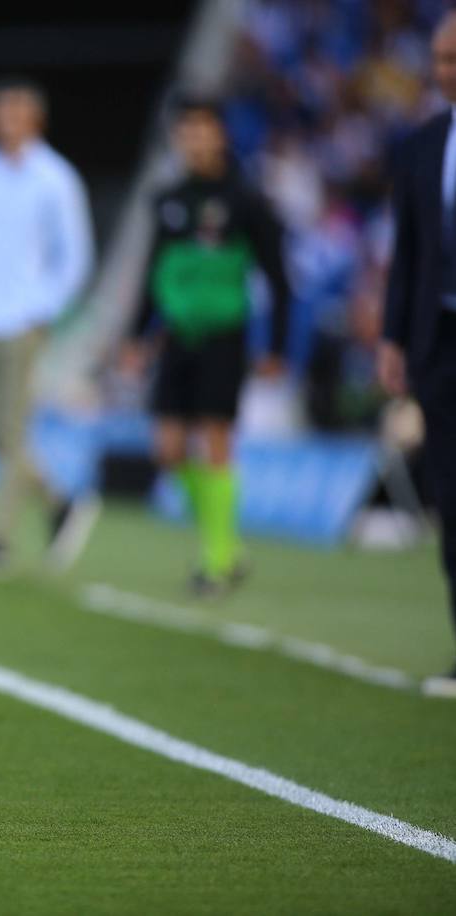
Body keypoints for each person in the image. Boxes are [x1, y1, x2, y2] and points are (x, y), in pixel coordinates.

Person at [125, 95, 292, 597]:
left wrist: (276, 346)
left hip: (224, 336)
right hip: (178, 338)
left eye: (202, 129)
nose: (194, 140)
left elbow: (279, 278)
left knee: (216, 439)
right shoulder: (168, 199)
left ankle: (216, 562)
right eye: (186, 131)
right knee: (169, 450)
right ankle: (227, 545)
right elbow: (153, 273)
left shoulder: (246, 200)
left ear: (220, 134)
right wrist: (136, 337)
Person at [0, 77, 95, 569]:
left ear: (35, 120)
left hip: (20, 319)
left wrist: (42, 308)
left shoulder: (55, 177)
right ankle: (57, 500)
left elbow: (75, 254)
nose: (6, 122)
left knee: (11, 427)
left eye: (15, 113)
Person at [380, 10, 456, 698]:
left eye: (454, 58)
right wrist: (393, 337)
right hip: (440, 343)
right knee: (451, 497)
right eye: (438, 58)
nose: (443, 71)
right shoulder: (423, 146)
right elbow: (407, 254)